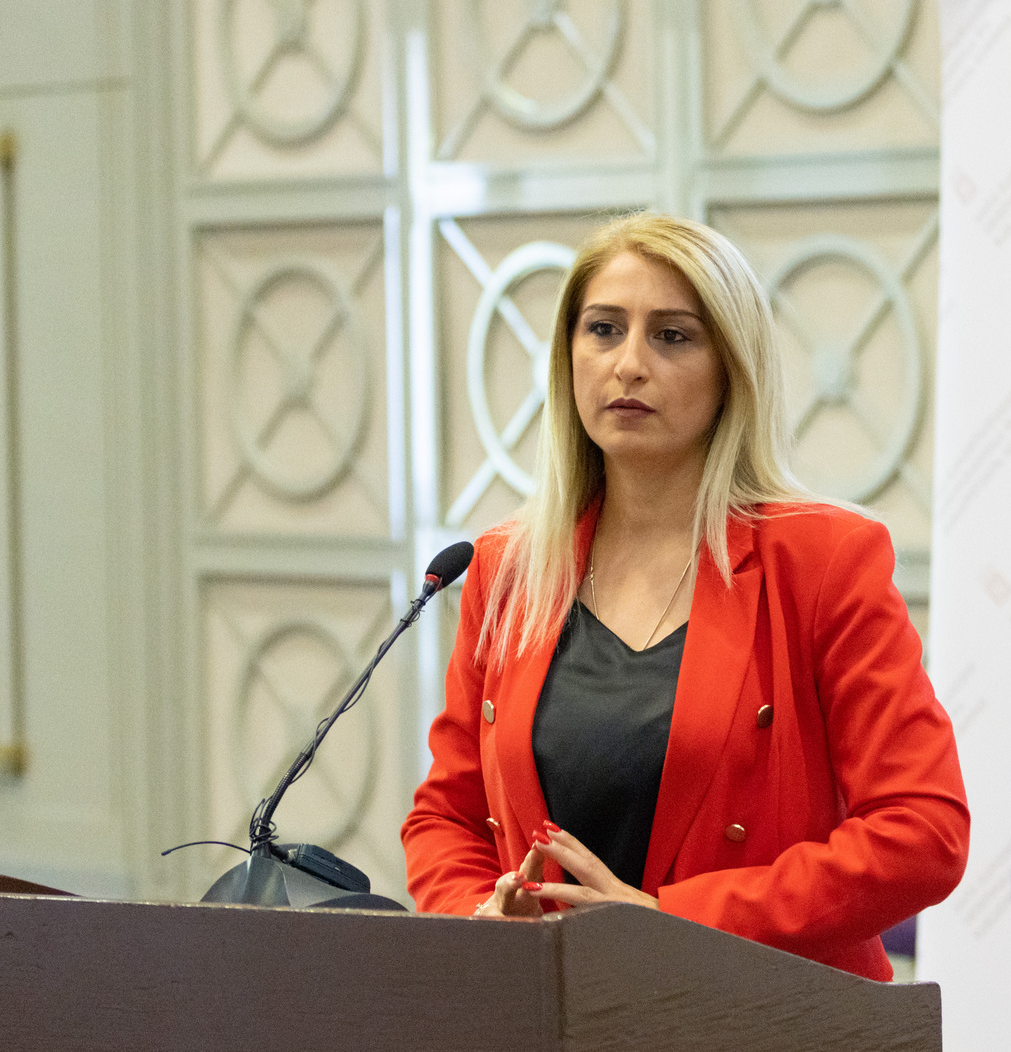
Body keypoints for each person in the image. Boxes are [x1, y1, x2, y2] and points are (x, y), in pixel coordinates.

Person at [401, 212, 967, 981]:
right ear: (567, 357)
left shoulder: (823, 560)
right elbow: (446, 816)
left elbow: (923, 832)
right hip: (546, 1011)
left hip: (757, 1011)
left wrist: (671, 923)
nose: (629, 364)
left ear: (732, 368)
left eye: (672, 336)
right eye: (604, 330)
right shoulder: (508, 569)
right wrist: (482, 924)